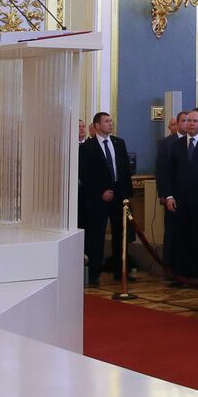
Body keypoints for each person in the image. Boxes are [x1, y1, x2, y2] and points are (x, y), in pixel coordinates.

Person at [161, 108, 198, 279]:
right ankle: (181, 274)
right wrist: (168, 196)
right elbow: (168, 173)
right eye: (188, 121)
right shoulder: (176, 145)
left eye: (194, 121)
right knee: (180, 238)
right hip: (180, 201)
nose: (191, 124)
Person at [79, 112, 133, 285]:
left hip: (119, 194)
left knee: (120, 234)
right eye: (106, 121)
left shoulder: (119, 143)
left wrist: (126, 194)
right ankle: (94, 273)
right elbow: (86, 174)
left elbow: (125, 170)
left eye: (111, 121)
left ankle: (120, 271)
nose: (110, 124)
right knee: (97, 235)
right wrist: (100, 192)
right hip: (98, 197)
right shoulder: (88, 147)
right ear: (96, 125)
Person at [155, 110, 191, 279]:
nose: (187, 124)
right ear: (176, 124)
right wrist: (164, 194)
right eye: (183, 120)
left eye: (189, 120)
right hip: (172, 196)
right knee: (171, 233)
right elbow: (162, 170)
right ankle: (169, 267)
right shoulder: (167, 143)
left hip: (191, 198)